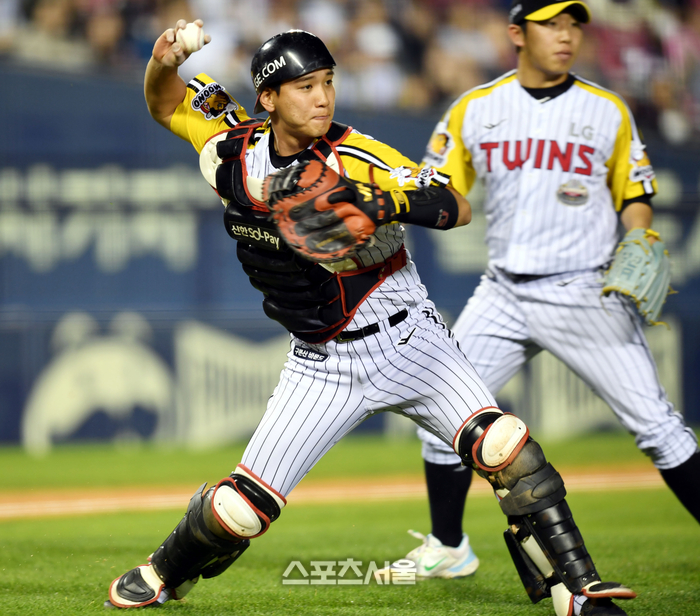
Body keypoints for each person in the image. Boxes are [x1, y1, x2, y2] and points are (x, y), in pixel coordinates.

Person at [105, 18, 636, 616]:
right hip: (321, 363)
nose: (323, 97)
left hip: (410, 339)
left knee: (506, 449)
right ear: (268, 98)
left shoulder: (359, 155)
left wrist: (379, 200)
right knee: (240, 510)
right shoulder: (234, 149)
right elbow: (166, 102)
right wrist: (162, 61)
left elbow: (455, 204)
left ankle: (578, 592)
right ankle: (162, 571)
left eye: (328, 82)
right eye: (305, 86)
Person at [385, 0, 700, 592]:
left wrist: (641, 234)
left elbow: (635, 193)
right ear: (516, 33)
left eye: (573, 25)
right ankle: (449, 547)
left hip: (583, 290)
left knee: (659, 429)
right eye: (551, 24)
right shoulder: (476, 108)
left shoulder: (606, 109)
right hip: (502, 291)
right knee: (441, 421)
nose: (565, 35)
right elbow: (438, 189)